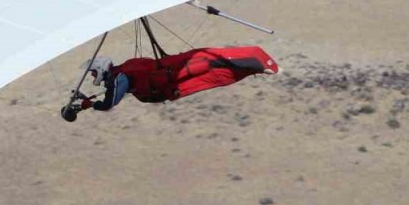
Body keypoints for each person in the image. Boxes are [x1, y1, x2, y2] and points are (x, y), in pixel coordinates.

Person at [68, 46, 279, 117]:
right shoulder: (122, 72)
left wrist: (91, 105)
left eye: (94, 74)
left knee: (209, 67)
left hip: (174, 82)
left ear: (101, 69)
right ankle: (252, 66)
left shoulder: (119, 77)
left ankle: (253, 63)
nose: (94, 78)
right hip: (170, 80)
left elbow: (109, 103)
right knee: (211, 72)